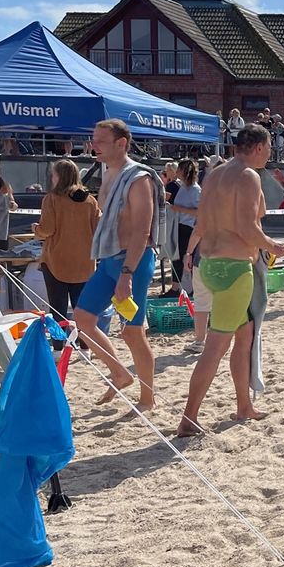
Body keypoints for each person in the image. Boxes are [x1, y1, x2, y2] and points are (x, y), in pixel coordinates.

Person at [176, 124, 284, 435]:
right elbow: (247, 227)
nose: (269, 154)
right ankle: (188, 418)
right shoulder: (248, 176)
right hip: (234, 268)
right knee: (215, 347)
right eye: (268, 148)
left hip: (210, 263)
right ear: (259, 147)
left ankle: (244, 406)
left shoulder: (214, 175)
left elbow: (203, 222)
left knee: (245, 333)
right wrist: (274, 246)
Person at [74, 119, 160, 412]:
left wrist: (126, 274)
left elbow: (142, 230)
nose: (93, 146)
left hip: (132, 261)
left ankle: (148, 398)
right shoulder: (107, 173)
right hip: (110, 257)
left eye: (100, 141)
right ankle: (120, 373)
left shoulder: (138, 178)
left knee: (133, 332)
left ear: (121, 143)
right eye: (93, 139)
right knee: (83, 319)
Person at [34, 159, 101, 329]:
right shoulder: (90, 201)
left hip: (57, 262)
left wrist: (36, 229)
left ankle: (59, 343)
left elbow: (47, 229)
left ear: (58, 176)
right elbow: (98, 230)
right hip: (84, 263)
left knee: (58, 310)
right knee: (83, 310)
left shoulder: (52, 199)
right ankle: (85, 342)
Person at [168, 158, 200, 285]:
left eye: (179, 170)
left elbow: (199, 212)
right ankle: (176, 286)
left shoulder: (196, 190)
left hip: (188, 227)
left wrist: (180, 209)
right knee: (176, 257)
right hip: (178, 225)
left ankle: (188, 287)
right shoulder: (182, 187)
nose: (176, 172)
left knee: (185, 257)